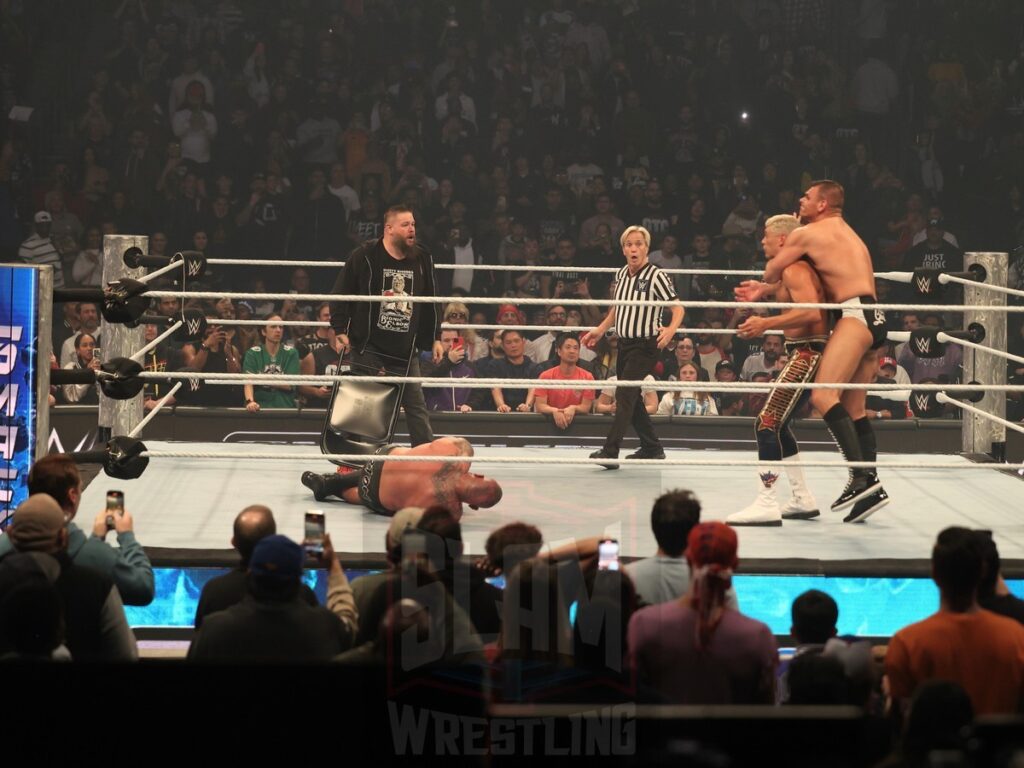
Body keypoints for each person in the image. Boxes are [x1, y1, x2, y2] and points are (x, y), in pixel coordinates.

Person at [743, 180, 888, 520]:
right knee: (854, 407)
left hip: (854, 314)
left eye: (806, 197)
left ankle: (860, 477)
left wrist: (792, 238)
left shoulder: (807, 233)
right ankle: (871, 488)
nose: (800, 199)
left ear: (822, 204)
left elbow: (772, 268)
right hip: (875, 314)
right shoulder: (844, 231)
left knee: (823, 397)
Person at [728, 214, 830, 526]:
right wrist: (765, 289)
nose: (762, 241)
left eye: (766, 236)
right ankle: (802, 498)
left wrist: (765, 323)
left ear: (783, 240)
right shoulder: (791, 270)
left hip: (808, 353)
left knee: (766, 422)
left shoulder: (794, 267)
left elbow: (811, 311)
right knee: (779, 425)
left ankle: (767, 502)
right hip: (803, 351)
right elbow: (789, 291)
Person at [330, 204, 443, 446]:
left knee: (416, 406)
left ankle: (426, 459)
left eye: (413, 224)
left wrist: (435, 337)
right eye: (405, 225)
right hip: (369, 343)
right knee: (363, 404)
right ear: (389, 229)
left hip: (404, 347)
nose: (412, 229)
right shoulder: (365, 255)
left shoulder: (422, 257)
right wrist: (340, 330)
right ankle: (354, 459)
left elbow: (432, 299)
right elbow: (341, 292)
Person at [626, 522, 777, 704]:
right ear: (734, 564)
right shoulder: (757, 636)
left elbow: (629, 693)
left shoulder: (643, 624)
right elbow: (766, 706)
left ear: (688, 559)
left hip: (661, 732)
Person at [886, 527, 1024, 717]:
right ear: (984, 572)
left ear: (934, 573)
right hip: (1001, 745)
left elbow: (898, 717)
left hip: (928, 744)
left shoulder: (907, 642)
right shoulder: (1016, 637)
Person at [582, 225, 683, 467]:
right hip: (625, 344)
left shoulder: (657, 275)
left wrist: (670, 330)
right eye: (629, 244)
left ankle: (610, 451)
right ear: (623, 249)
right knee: (633, 397)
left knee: (625, 394)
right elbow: (617, 309)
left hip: (646, 345)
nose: (634, 248)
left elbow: (678, 308)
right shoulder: (620, 274)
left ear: (647, 248)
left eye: (638, 244)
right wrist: (600, 329)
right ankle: (652, 447)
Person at [0, 455, 154, 606]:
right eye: (79, 489)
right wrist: (126, 535)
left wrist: (95, 540)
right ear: (73, 495)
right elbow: (143, 588)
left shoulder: (5, 546)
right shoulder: (95, 555)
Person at [3, 494, 137, 661]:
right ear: (63, 537)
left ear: (9, 534)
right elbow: (126, 656)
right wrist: (126, 536)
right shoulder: (96, 585)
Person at [187, 534, 357, 662]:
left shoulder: (213, 629)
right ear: (298, 581)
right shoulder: (324, 627)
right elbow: (347, 621)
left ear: (248, 574)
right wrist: (333, 565)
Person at [300, 436, 502, 521]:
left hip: (381, 457)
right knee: (390, 501)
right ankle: (331, 486)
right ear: (474, 505)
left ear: (478, 475)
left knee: (397, 469)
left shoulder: (455, 449)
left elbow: (467, 450)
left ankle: (331, 482)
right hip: (372, 494)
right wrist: (465, 500)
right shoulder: (451, 511)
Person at [194, 505, 321, 628]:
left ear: (234, 542)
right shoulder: (302, 594)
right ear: (272, 540)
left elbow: (200, 638)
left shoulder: (215, 592)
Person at [533, 334, 595, 429]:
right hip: (548, 425)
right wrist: (555, 411)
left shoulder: (587, 377)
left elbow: (586, 407)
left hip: (578, 426)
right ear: (559, 351)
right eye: (568, 347)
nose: (572, 351)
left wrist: (574, 408)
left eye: (575, 348)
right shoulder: (546, 376)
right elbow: (540, 405)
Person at [242, 314, 300, 411]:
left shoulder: (291, 353)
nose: (278, 330)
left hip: (285, 408)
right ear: (264, 332)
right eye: (273, 327)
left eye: (281, 327)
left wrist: (260, 378)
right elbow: (248, 382)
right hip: (260, 408)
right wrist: (250, 401)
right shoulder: (252, 353)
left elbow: (290, 385)